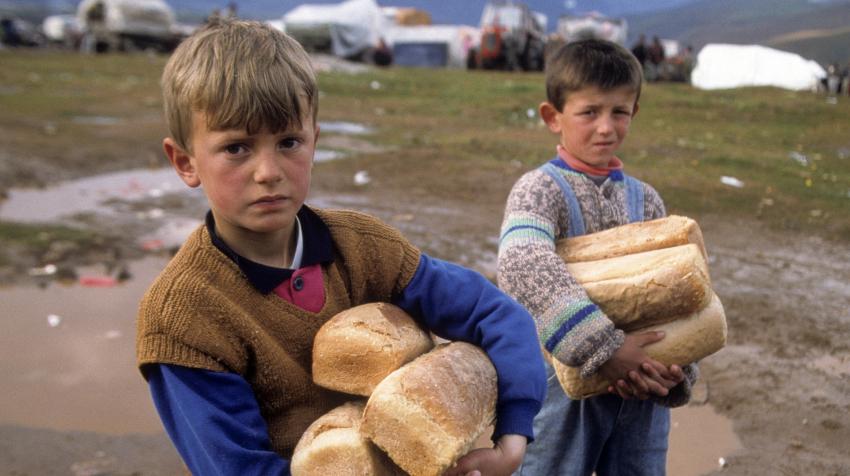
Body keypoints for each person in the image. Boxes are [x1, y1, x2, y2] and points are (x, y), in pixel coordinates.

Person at [135, 18, 547, 476]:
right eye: (237, 148)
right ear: (185, 162)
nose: (268, 171)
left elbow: (495, 314)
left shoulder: (362, 246)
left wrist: (512, 438)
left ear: (315, 142)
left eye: (288, 141)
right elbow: (238, 468)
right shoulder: (184, 318)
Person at [497, 39, 699, 475]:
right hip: (561, 389)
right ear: (554, 117)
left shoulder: (647, 201)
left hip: (642, 396)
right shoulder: (539, 190)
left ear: (634, 113)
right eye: (589, 112)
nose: (605, 127)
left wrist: (675, 373)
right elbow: (521, 263)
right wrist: (606, 349)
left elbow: (674, 295)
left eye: (619, 112)